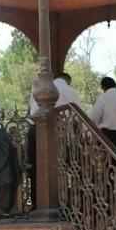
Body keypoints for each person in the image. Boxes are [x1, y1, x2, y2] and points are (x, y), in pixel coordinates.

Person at [28, 72, 82, 209]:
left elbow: (32, 111)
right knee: (60, 168)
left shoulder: (38, 88)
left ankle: (36, 204)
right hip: (58, 132)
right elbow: (78, 117)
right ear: (67, 81)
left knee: (37, 168)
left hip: (34, 130)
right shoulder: (70, 91)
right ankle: (60, 204)